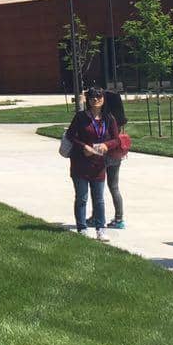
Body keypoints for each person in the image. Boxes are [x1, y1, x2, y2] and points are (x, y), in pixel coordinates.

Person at [65, 87, 121, 240]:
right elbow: (70, 135)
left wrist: (106, 145)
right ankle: (82, 228)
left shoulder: (108, 118)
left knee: (99, 199)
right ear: (88, 100)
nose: (96, 99)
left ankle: (100, 229)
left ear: (103, 99)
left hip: (99, 164)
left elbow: (116, 139)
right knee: (82, 198)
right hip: (80, 163)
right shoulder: (81, 117)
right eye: (92, 97)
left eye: (99, 97)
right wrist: (84, 147)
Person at [103, 90, 129, 229]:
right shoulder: (119, 119)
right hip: (116, 155)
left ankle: (96, 216)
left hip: (104, 154)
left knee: (97, 186)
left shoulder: (106, 118)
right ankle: (119, 218)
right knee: (114, 187)